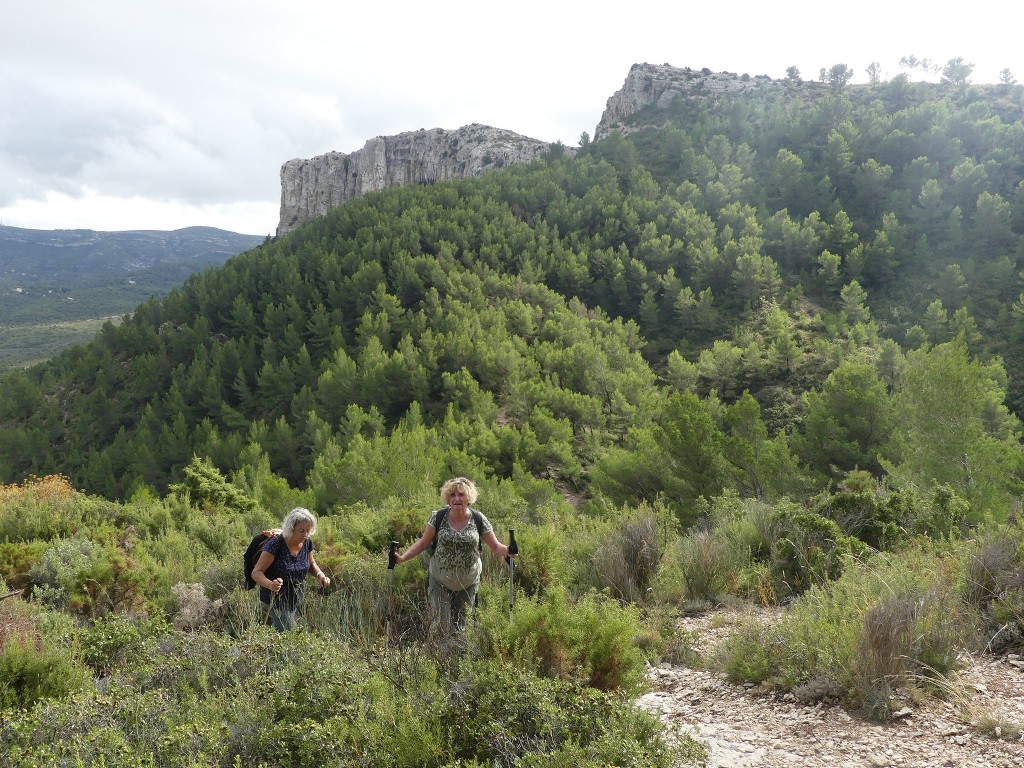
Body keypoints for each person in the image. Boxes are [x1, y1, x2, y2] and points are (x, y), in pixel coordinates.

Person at [393, 477, 515, 634]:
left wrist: (509, 550)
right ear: (447, 498)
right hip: (440, 580)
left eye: (461, 495)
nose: (457, 498)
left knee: (461, 629)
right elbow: (423, 544)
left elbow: (496, 547)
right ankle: (437, 657)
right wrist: (402, 558)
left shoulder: (479, 519)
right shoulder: (438, 517)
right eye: (452, 495)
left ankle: (458, 657)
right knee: (440, 627)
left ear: (468, 498)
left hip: (468, 582)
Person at [251, 507, 330, 631]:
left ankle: (267, 647)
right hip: (275, 597)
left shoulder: (307, 542)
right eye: (302, 530)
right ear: (292, 529)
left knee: (281, 629)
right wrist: (270, 585)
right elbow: (256, 573)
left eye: (308, 530)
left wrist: (320, 575)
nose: (305, 534)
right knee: (287, 629)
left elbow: (311, 563)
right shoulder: (276, 544)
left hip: (295, 596)